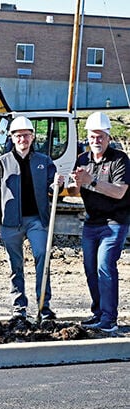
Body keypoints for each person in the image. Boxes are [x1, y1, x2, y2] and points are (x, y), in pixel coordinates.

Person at [0, 116, 64, 320]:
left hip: (36, 220)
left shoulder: (44, 161)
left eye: (26, 135)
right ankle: (18, 307)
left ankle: (43, 305)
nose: (23, 138)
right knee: (15, 265)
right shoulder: (2, 163)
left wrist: (58, 184)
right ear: (12, 138)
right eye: (18, 135)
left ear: (32, 137)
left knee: (42, 256)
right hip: (10, 223)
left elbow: (52, 187)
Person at [67, 112, 130, 333]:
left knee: (105, 266)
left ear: (108, 138)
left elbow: (120, 192)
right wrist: (72, 184)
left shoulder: (119, 160)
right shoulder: (82, 159)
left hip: (114, 223)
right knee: (90, 269)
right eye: (93, 137)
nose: (96, 141)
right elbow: (76, 190)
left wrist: (91, 181)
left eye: (100, 137)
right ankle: (98, 312)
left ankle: (109, 319)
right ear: (87, 137)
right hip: (92, 222)